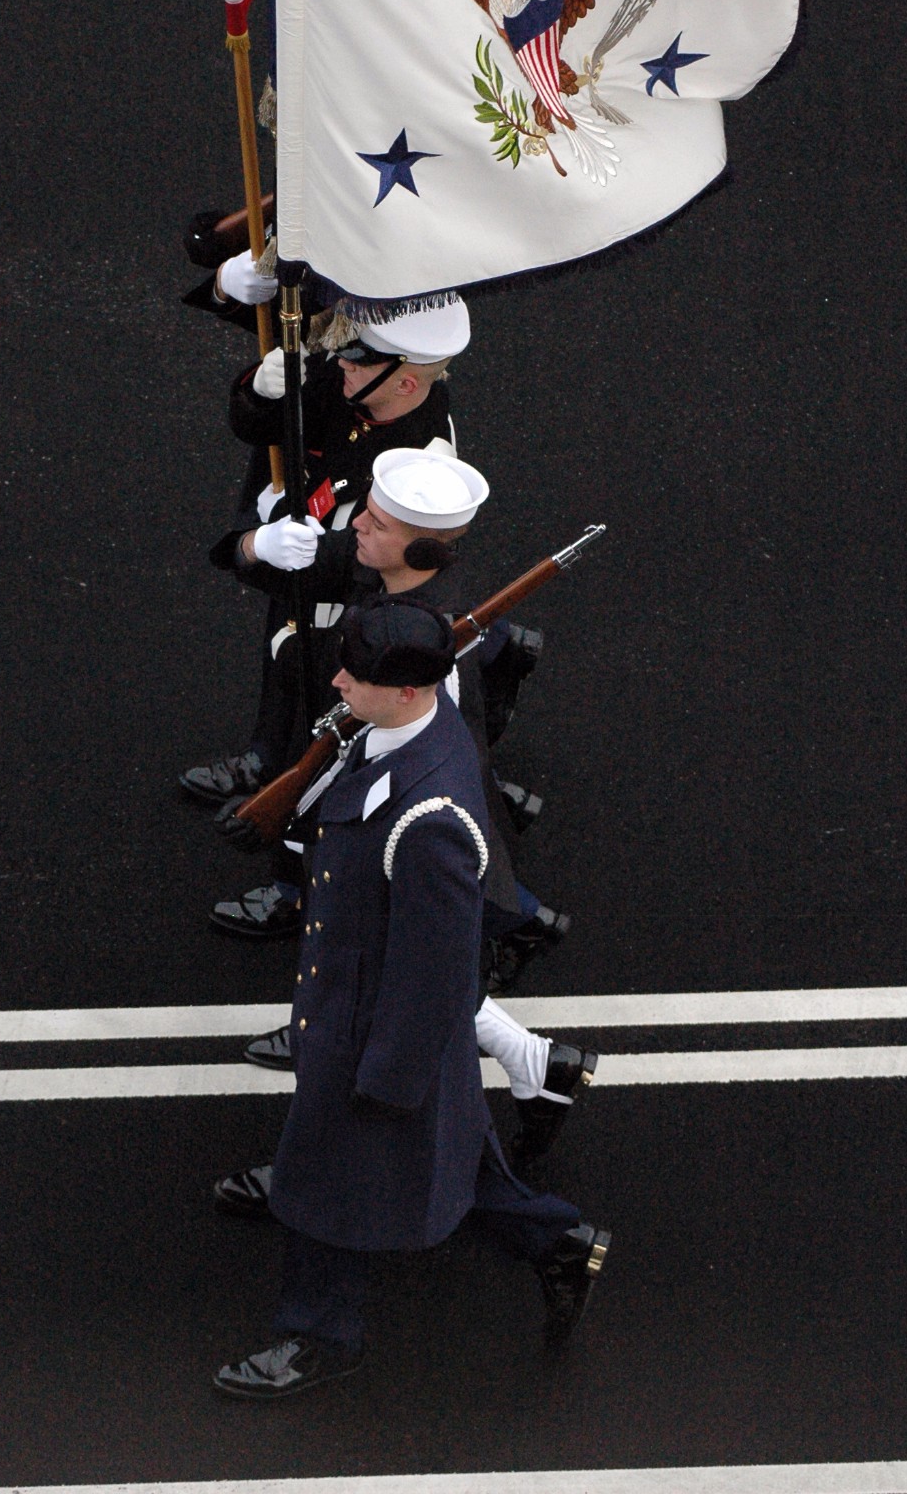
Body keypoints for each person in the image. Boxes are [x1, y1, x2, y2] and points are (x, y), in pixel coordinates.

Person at [210, 602, 610, 1400]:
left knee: (331, 1187)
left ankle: (319, 1334)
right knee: (448, 1152)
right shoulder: (408, 731)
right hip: (366, 1012)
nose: (336, 678)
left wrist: (387, 1083)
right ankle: (556, 1241)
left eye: (353, 674)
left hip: (371, 1036)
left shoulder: (430, 821)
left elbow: (438, 975)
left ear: (403, 690)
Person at [178, 295, 469, 808]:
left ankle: (304, 794)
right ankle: (265, 756)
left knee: (322, 684)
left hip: (346, 579)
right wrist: (259, 392)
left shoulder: (422, 459)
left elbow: (367, 546)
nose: (342, 364)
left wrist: (250, 549)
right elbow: (259, 425)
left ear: (405, 383)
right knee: (279, 651)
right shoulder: (351, 384)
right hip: (299, 549)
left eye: (359, 360)